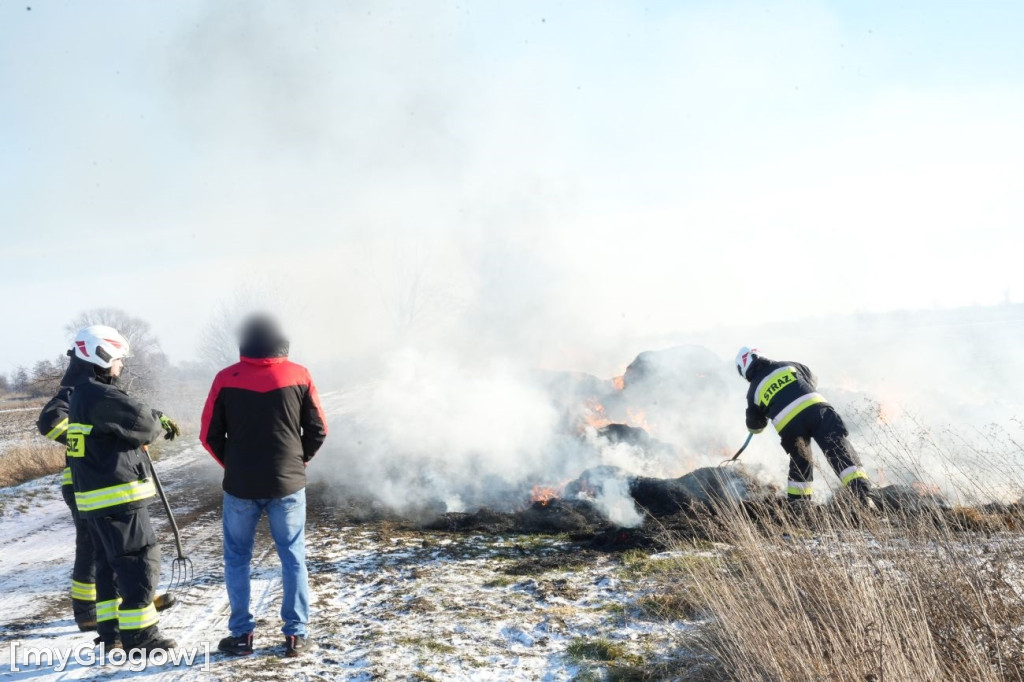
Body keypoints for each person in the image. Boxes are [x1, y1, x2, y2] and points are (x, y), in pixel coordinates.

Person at [199, 313, 327, 657]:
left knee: (237, 559)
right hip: (287, 486)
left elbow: (209, 435)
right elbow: (318, 430)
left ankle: (241, 635)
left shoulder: (225, 378)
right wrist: (297, 463)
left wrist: (235, 465)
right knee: (293, 557)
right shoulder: (299, 375)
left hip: (240, 486)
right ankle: (296, 636)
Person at [37, 346, 179, 640]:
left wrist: (106, 430)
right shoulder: (78, 393)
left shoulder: (92, 392)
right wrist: (91, 436)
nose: (123, 364)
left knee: (108, 554)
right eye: (117, 358)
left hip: (94, 483)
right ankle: (92, 613)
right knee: (106, 551)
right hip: (92, 484)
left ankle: (112, 621)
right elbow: (49, 420)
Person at [735, 347, 874, 506]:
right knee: (837, 448)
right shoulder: (788, 365)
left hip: (791, 426)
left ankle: (799, 506)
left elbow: (755, 426)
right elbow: (812, 379)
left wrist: (765, 412)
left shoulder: (753, 392)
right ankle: (864, 496)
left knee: (801, 461)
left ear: (744, 369)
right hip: (818, 411)